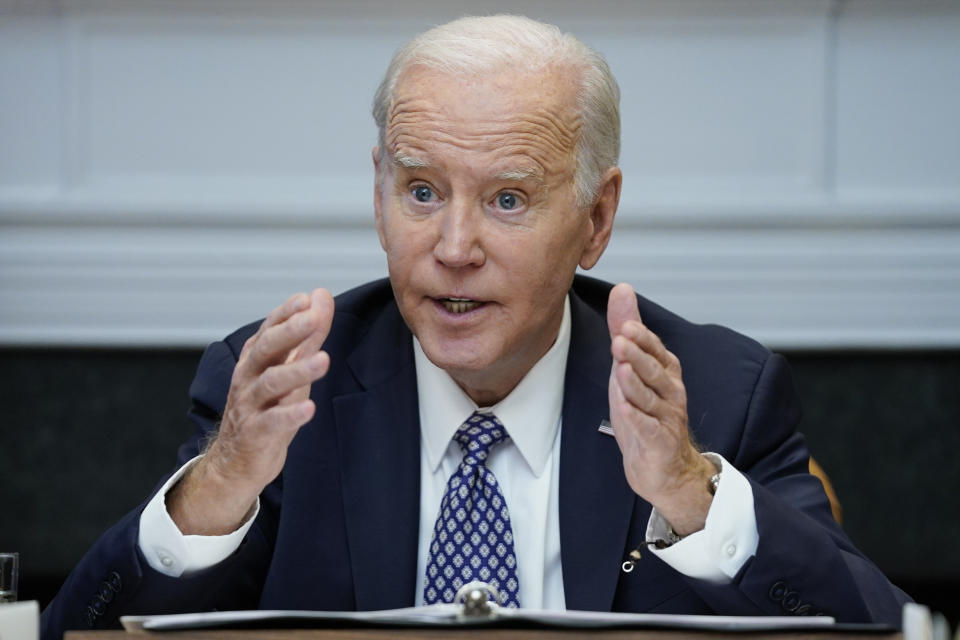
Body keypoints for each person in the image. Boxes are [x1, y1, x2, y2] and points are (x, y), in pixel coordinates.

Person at [41, 15, 910, 639]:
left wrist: (689, 492)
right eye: (421, 192)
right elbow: (74, 630)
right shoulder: (286, 391)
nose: (454, 248)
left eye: (507, 199)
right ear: (377, 194)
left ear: (596, 220)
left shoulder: (716, 391)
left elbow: (876, 627)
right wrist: (216, 489)